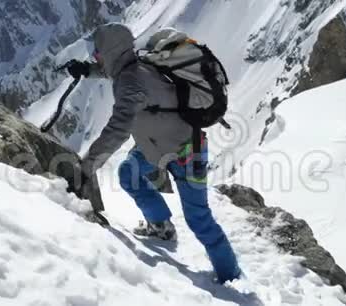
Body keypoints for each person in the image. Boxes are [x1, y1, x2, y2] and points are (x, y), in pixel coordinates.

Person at [66, 23, 241, 283]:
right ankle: (161, 226)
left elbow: (117, 130)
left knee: (199, 220)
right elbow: (112, 70)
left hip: (186, 154)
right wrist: (88, 70)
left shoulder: (131, 82)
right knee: (128, 174)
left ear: (111, 50)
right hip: (155, 147)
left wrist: (87, 166)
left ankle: (231, 278)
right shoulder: (134, 65)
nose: (95, 56)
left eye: (98, 52)